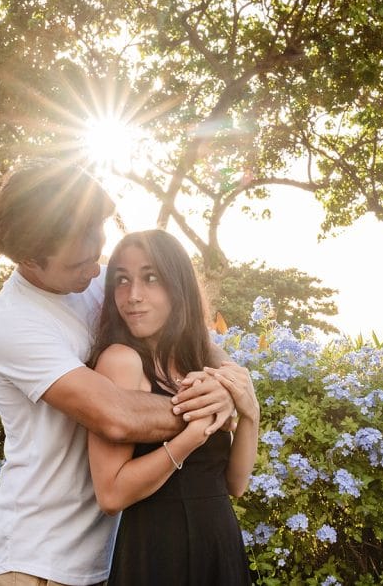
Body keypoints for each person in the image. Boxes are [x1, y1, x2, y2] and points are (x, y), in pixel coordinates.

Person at [0, 159, 240, 586]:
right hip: (36, 564)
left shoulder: (98, 283)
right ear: (29, 259)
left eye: (96, 247)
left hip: (115, 557)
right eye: (77, 263)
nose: (93, 269)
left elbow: (188, 337)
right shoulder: (14, 324)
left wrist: (227, 379)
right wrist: (208, 410)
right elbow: (116, 417)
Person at [87, 229, 259, 586]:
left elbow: (236, 484)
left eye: (151, 278)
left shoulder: (202, 361)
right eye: (122, 280)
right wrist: (190, 437)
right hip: (157, 552)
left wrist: (250, 416)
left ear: (177, 286)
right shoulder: (121, 362)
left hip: (221, 544)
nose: (133, 296)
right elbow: (111, 493)